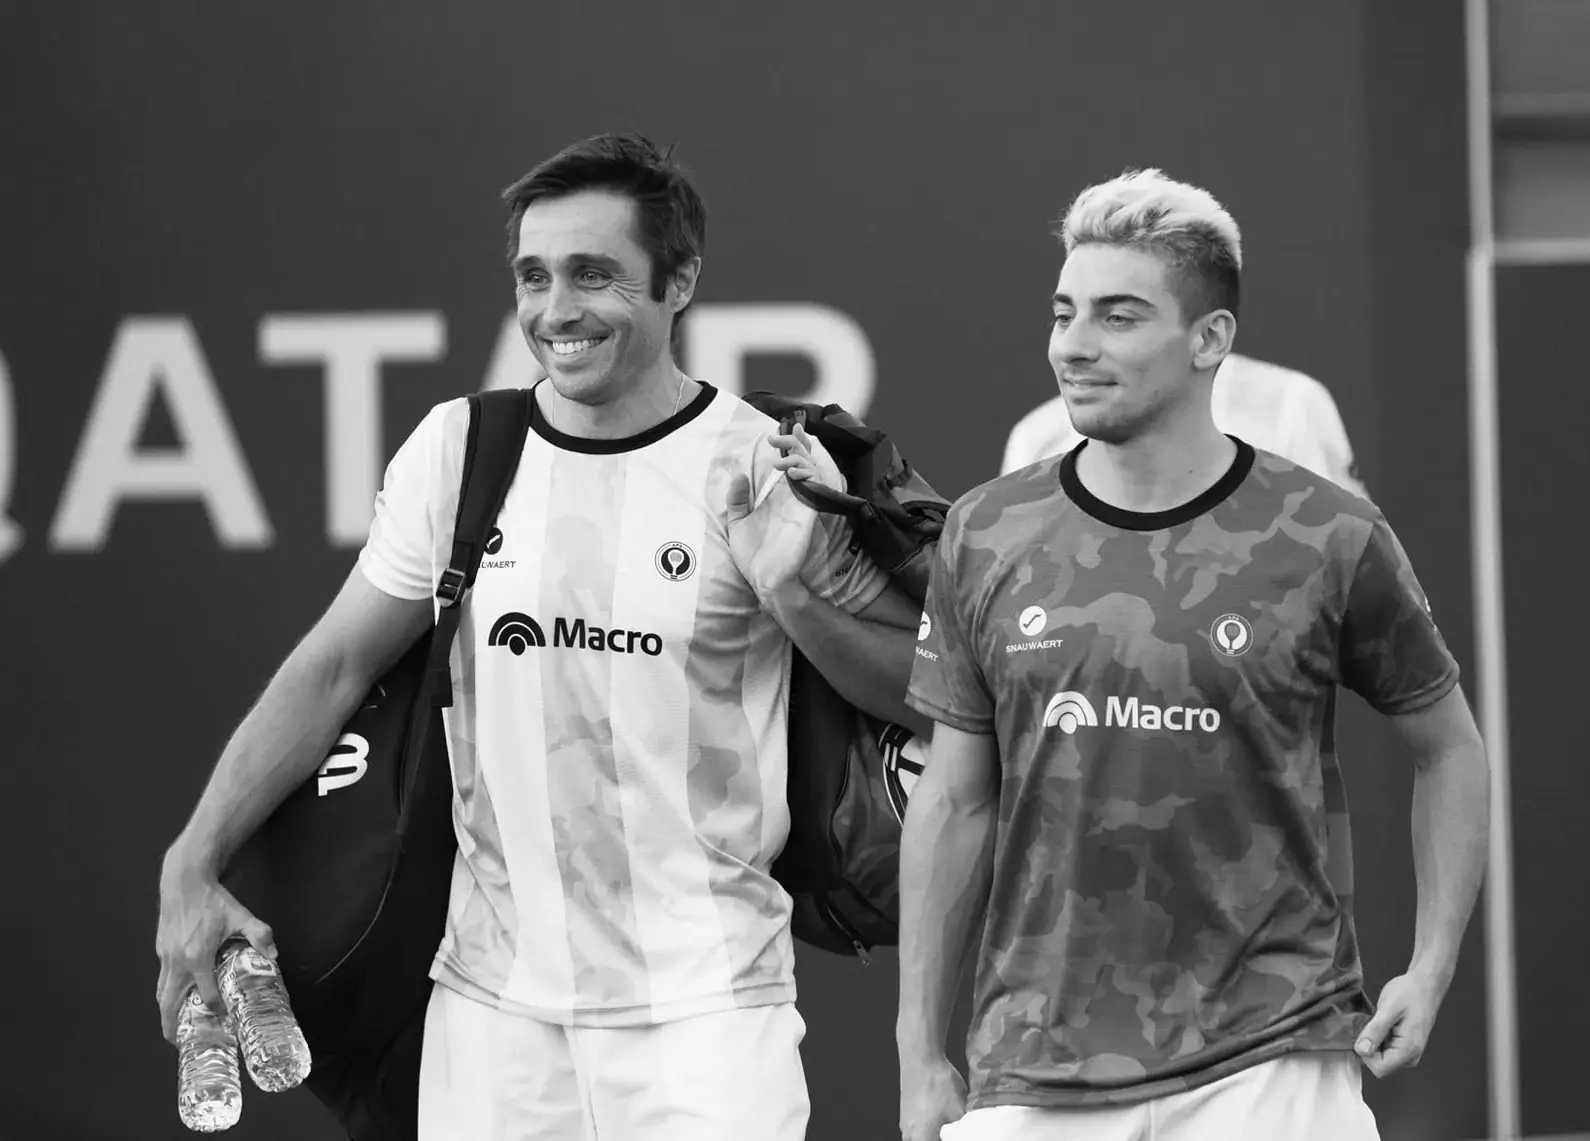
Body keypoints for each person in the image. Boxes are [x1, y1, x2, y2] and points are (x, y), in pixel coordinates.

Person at [156, 132, 928, 1141]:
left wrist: (798, 593)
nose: (556, 310)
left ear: (680, 279)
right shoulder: (460, 449)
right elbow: (333, 667)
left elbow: (931, 699)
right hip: (490, 1020)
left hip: (710, 1019)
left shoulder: (767, 464)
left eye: (594, 274)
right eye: (534, 275)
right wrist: (190, 859)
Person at [895, 168, 1489, 1141]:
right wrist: (920, 1053)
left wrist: (1431, 969)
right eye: (1064, 313)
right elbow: (956, 798)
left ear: (1210, 338)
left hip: (1276, 1063)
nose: (1074, 346)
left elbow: (1449, 747)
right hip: (1034, 1068)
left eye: (1118, 316)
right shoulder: (985, 530)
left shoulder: (1328, 532)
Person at [1000, 352, 1368, 498]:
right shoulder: (1037, 436)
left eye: (1123, 315)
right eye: (1066, 315)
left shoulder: (1289, 405)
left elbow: (1347, 579)